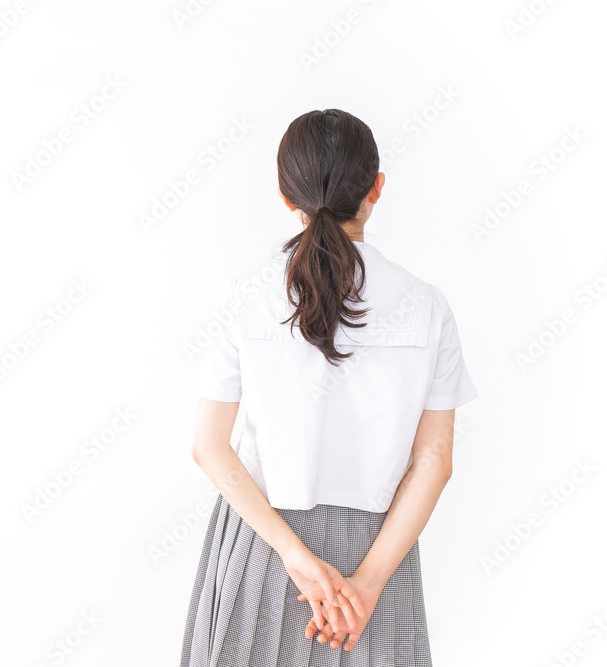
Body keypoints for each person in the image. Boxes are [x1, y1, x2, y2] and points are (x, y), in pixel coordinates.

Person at [179, 108, 477, 666]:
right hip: (378, 551)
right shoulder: (427, 306)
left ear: (285, 197)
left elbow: (209, 447)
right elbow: (434, 461)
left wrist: (295, 558)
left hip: (263, 545)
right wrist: (366, 584)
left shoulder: (245, 295)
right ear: (376, 188)